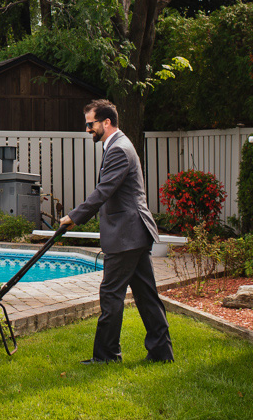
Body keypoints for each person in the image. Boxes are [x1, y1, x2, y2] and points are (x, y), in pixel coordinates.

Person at [60, 99, 174, 364]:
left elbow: (104, 191)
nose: (87, 129)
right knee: (147, 297)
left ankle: (107, 356)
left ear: (106, 122)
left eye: (91, 124)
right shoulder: (118, 146)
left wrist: (74, 217)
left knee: (111, 295)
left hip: (126, 235)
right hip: (133, 234)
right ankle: (161, 353)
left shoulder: (119, 150)